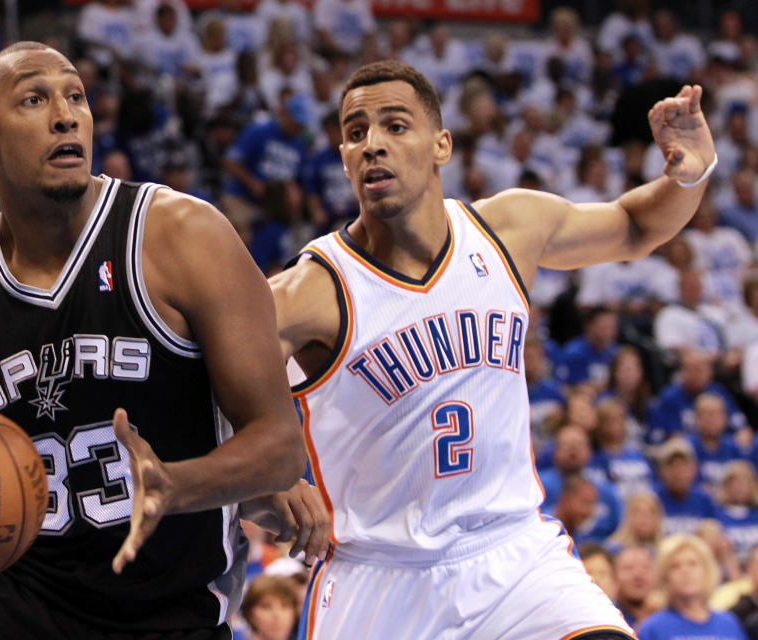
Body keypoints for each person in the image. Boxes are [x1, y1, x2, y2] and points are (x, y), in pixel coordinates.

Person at [0, 41, 321, 639]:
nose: (65, 114)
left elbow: (279, 446)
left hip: (165, 615)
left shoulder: (183, 238)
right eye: (33, 98)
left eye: (76, 95)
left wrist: (181, 486)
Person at [270, 59, 716, 638]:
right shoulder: (311, 289)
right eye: (356, 133)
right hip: (382, 577)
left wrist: (690, 174)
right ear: (344, 158)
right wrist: (270, 477)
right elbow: (198, 379)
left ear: (442, 145)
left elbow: (634, 227)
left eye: (395, 126)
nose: (373, 145)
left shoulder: (509, 227)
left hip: (515, 556)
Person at [637, 534, 746, 639]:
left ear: (707, 571)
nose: (685, 571)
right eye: (675, 566)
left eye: (693, 564)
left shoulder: (728, 623)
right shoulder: (653, 628)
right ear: (665, 577)